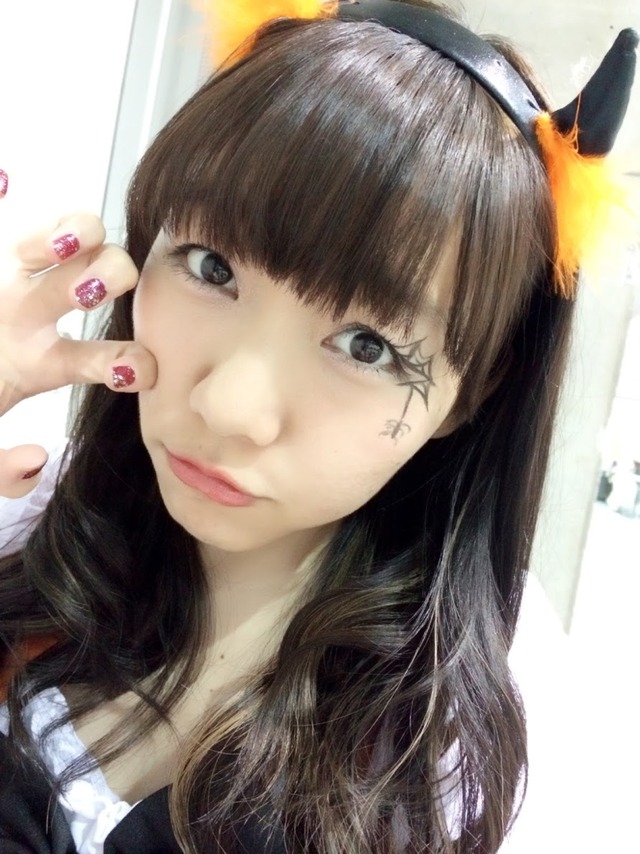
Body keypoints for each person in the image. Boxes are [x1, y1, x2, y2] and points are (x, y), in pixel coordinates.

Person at [0, 1, 636, 851]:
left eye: (368, 346)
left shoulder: (469, 772)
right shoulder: (29, 514)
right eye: (211, 267)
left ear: (472, 395)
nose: (230, 406)